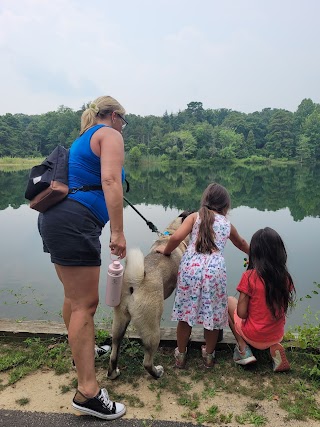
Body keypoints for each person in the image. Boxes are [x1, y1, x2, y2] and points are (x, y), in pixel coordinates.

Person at [38, 96, 127, 420]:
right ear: (115, 116)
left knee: (73, 299)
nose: (123, 129)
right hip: (75, 223)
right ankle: (87, 393)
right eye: (124, 122)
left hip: (56, 219)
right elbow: (110, 181)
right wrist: (117, 233)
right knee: (84, 304)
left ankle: (83, 355)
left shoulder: (84, 137)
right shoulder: (109, 134)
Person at [156, 183, 249, 368]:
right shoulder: (227, 224)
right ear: (225, 206)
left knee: (185, 315)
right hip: (215, 272)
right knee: (213, 317)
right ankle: (208, 356)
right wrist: (255, 255)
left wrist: (165, 251)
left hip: (190, 268)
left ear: (205, 200)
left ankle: (181, 355)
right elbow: (242, 243)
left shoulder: (194, 217)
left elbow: (175, 238)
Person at [228, 227, 295, 372]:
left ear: (254, 253)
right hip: (276, 334)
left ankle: (243, 349)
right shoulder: (285, 278)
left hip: (254, 335)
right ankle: (273, 348)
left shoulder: (249, 277)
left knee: (228, 302)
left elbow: (241, 313)